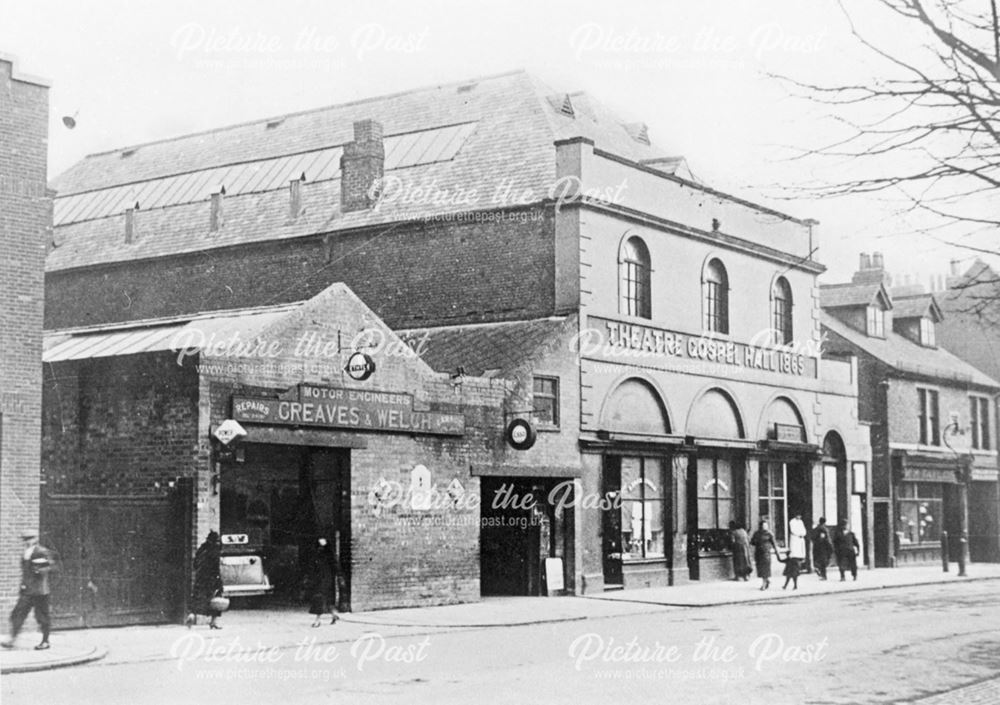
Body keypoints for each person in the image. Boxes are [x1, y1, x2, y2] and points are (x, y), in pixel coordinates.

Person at [2, 530, 54, 650]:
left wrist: (38, 570)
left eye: (30, 539)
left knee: (42, 616)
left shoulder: (40, 551)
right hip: (27, 591)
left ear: (35, 539)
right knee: (17, 614)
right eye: (25, 539)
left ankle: (45, 641)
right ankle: (12, 638)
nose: (27, 541)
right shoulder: (26, 552)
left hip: (40, 591)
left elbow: (46, 568)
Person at [186, 531, 224, 629]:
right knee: (217, 599)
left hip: (200, 578)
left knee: (198, 598)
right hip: (211, 579)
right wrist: (218, 580)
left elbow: (195, 564)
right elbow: (216, 567)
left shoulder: (201, 549)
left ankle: (192, 615)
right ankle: (213, 621)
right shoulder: (214, 551)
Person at [306, 537, 340, 627]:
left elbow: (335, 567)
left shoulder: (328, 555)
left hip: (324, 579)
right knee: (327, 599)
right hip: (322, 579)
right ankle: (334, 614)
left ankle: (318, 620)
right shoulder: (319, 554)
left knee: (319, 599)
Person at [750, 519, 779, 590]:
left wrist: (777, 552)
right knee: (760, 569)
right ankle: (767, 581)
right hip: (759, 553)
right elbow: (752, 542)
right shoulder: (757, 533)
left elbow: (774, 543)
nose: (765, 527)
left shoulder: (769, 534)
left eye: (766, 525)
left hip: (766, 553)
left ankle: (763, 584)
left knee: (765, 568)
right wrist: (755, 541)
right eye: (763, 526)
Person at [785, 512, 807, 587]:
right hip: (795, 539)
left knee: (800, 551)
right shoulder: (792, 522)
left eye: (800, 515)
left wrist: (802, 534)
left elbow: (804, 530)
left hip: (800, 539)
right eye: (798, 515)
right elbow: (793, 530)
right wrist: (799, 534)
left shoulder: (801, 522)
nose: (799, 517)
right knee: (795, 553)